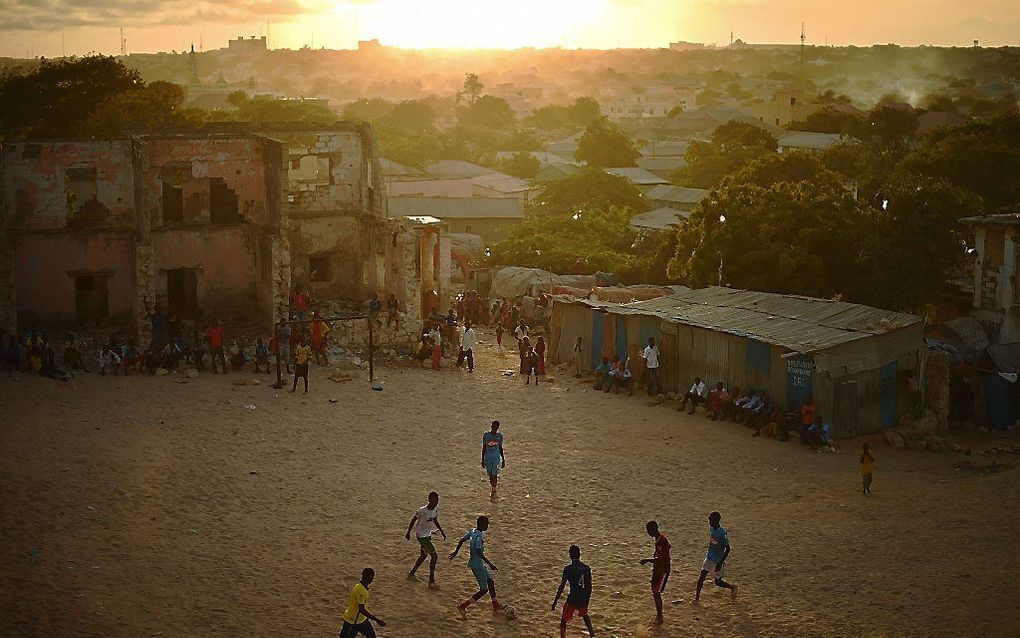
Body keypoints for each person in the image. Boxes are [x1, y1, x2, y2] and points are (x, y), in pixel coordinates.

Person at [450, 515, 503, 618]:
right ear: (482, 525)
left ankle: (495, 604)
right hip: (477, 565)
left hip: (478, 564)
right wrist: (490, 563)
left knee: (490, 582)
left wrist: (456, 552)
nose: (487, 526)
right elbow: (478, 550)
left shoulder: (472, 531)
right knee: (484, 590)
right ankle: (463, 606)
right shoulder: (479, 536)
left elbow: (462, 540)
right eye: (487, 524)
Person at [552, 545, 595, 638]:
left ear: (570, 555)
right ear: (580, 555)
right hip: (583, 599)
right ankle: (592, 634)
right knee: (585, 615)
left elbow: (562, 586)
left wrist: (555, 601)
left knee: (563, 620)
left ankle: (563, 637)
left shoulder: (568, 569)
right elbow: (589, 586)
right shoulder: (586, 568)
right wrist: (587, 600)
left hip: (572, 599)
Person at [405, 491, 447, 586]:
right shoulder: (422, 511)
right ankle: (431, 580)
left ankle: (412, 572)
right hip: (421, 535)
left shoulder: (436, 509)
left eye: (437, 500)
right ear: (429, 500)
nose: (436, 502)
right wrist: (408, 533)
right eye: (434, 500)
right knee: (434, 556)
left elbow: (435, 520)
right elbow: (413, 520)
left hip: (428, 534)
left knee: (423, 555)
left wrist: (441, 531)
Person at [695, 511, 738, 602]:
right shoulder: (712, 528)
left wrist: (720, 563)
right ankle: (697, 599)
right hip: (709, 558)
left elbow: (728, 548)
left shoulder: (722, 533)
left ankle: (732, 587)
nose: (709, 521)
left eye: (710, 520)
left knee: (718, 582)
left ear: (716, 521)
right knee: (701, 577)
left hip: (717, 560)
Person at [339, 567, 385, 638]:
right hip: (352, 621)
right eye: (372, 577)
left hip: (362, 620)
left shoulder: (362, 587)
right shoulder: (361, 590)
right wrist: (377, 620)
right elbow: (362, 610)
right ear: (367, 577)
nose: (372, 579)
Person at [639, 520, 670, 625]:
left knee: (656, 592)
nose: (648, 532)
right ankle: (659, 614)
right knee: (654, 591)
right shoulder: (659, 539)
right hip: (657, 569)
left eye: (649, 530)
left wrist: (647, 560)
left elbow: (660, 559)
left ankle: (660, 616)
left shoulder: (661, 540)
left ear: (654, 529)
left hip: (662, 570)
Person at [482, 420, 505, 501]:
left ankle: (494, 491)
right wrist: (482, 459)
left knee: (494, 474)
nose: (494, 428)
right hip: (488, 457)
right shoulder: (486, 435)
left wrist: (503, 459)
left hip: (496, 458)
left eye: (496, 427)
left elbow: (500, 448)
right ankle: (493, 489)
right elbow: (484, 447)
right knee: (490, 474)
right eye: (493, 426)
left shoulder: (499, 436)